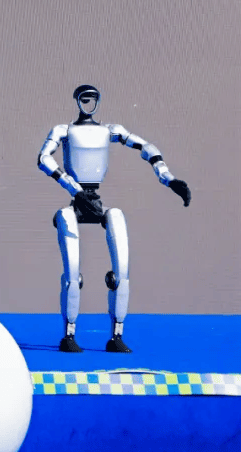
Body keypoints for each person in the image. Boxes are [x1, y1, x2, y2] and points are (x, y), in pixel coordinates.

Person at [37, 84, 190, 353]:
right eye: (84, 99)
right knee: (72, 271)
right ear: (77, 101)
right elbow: (43, 158)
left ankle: (116, 335)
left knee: (121, 263)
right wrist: (74, 189)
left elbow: (145, 147)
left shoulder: (110, 130)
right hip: (76, 199)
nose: (88, 103)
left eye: (92, 99)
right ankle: (69, 335)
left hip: (96, 201)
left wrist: (168, 178)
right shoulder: (64, 130)